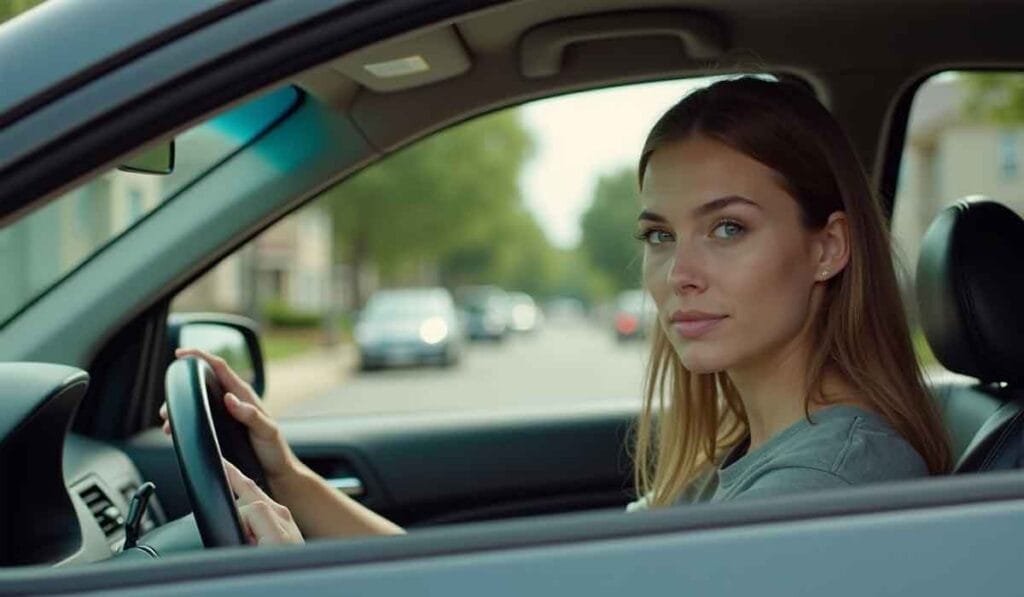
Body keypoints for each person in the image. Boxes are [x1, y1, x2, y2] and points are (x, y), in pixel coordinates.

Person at [162, 76, 951, 542]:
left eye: (728, 228)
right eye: (657, 234)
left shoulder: (828, 485)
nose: (680, 272)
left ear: (828, 248)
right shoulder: (759, 459)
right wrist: (293, 482)